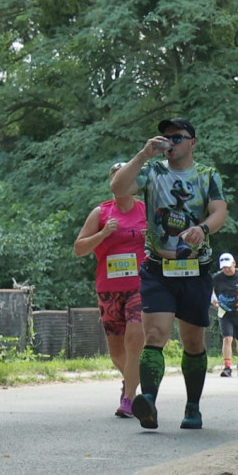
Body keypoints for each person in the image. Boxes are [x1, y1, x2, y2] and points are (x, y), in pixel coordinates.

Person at [110, 118, 227, 430]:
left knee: (193, 342)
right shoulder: (153, 171)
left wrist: (202, 229)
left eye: (178, 138)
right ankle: (147, 401)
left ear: (192, 143)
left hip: (195, 269)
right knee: (154, 335)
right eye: (166, 137)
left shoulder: (207, 175)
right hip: (158, 269)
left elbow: (219, 211)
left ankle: (193, 406)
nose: (170, 142)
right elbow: (118, 188)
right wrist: (142, 155)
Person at [73, 162, 146, 418]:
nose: (121, 181)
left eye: (126, 176)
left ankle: (129, 400)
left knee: (135, 340)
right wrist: (104, 233)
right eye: (115, 177)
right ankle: (131, 381)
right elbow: (79, 248)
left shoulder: (146, 212)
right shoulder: (101, 213)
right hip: (109, 288)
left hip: (140, 286)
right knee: (117, 352)